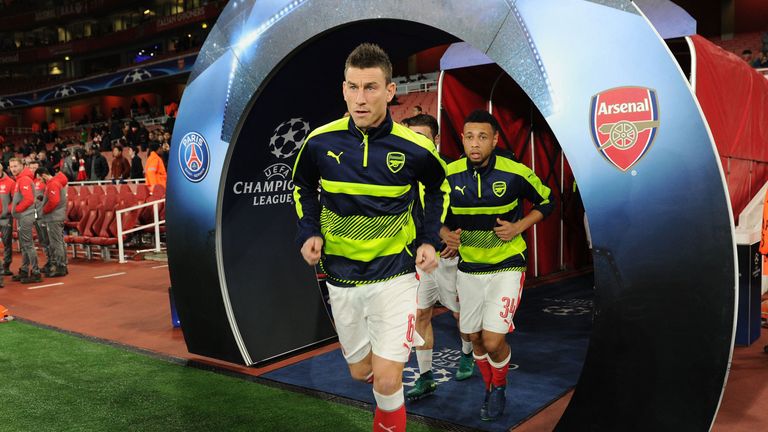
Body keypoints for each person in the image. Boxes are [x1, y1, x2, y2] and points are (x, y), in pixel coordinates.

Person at [292, 43, 449, 432]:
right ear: (343, 89)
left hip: (395, 275)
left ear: (390, 91)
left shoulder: (416, 148)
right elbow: (303, 188)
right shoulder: (319, 143)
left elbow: (438, 189)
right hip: (342, 277)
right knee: (361, 371)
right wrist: (309, 231)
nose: (361, 99)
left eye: (371, 88)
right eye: (353, 87)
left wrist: (428, 239)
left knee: (388, 378)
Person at [442, 110, 553, 421]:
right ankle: (489, 387)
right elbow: (431, 214)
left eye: (482, 137)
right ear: (462, 140)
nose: (474, 143)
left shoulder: (514, 172)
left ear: (494, 140)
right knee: (475, 338)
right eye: (468, 137)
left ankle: (500, 387)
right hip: (469, 270)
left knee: (492, 341)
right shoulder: (448, 175)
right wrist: (445, 235)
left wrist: (520, 227)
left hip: (507, 265)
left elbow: (547, 201)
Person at [401, 114, 475, 402]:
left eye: (421, 136)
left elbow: (466, 213)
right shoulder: (402, 169)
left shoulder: (450, 172)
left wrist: (454, 238)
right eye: (411, 136)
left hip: (448, 259)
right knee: (420, 314)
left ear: (436, 140)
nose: (415, 142)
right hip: (418, 259)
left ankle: (467, 355)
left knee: (460, 315)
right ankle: (426, 376)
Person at [9, 157, 42, 283]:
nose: (13, 169)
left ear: (22, 166)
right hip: (22, 216)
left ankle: (36, 272)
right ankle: (24, 269)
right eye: (11, 167)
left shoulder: (24, 180)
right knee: (24, 245)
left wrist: (16, 209)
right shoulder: (19, 180)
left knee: (28, 245)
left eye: (15, 166)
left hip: (25, 216)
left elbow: (28, 199)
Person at [36, 167, 68, 277]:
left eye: (40, 179)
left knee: (56, 242)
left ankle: (61, 267)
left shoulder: (52, 184)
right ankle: (62, 266)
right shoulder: (53, 183)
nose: (40, 181)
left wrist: (43, 210)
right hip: (55, 217)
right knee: (57, 242)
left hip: (54, 218)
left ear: (44, 175)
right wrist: (43, 198)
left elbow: (54, 201)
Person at [0, 161, 14, 277]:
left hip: (5, 218)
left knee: (7, 243)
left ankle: (6, 266)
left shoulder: (10, 182)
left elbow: (14, 200)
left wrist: (7, 211)